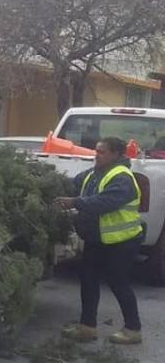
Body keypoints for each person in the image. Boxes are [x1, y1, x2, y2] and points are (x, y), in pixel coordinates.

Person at [54, 136, 143, 345]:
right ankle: (87, 328)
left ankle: (133, 329)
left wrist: (74, 202)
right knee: (88, 279)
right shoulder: (94, 173)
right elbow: (72, 184)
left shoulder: (122, 177)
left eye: (102, 152)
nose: (97, 155)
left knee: (118, 281)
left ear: (116, 154)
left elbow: (104, 202)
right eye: (96, 151)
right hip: (98, 239)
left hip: (123, 240)